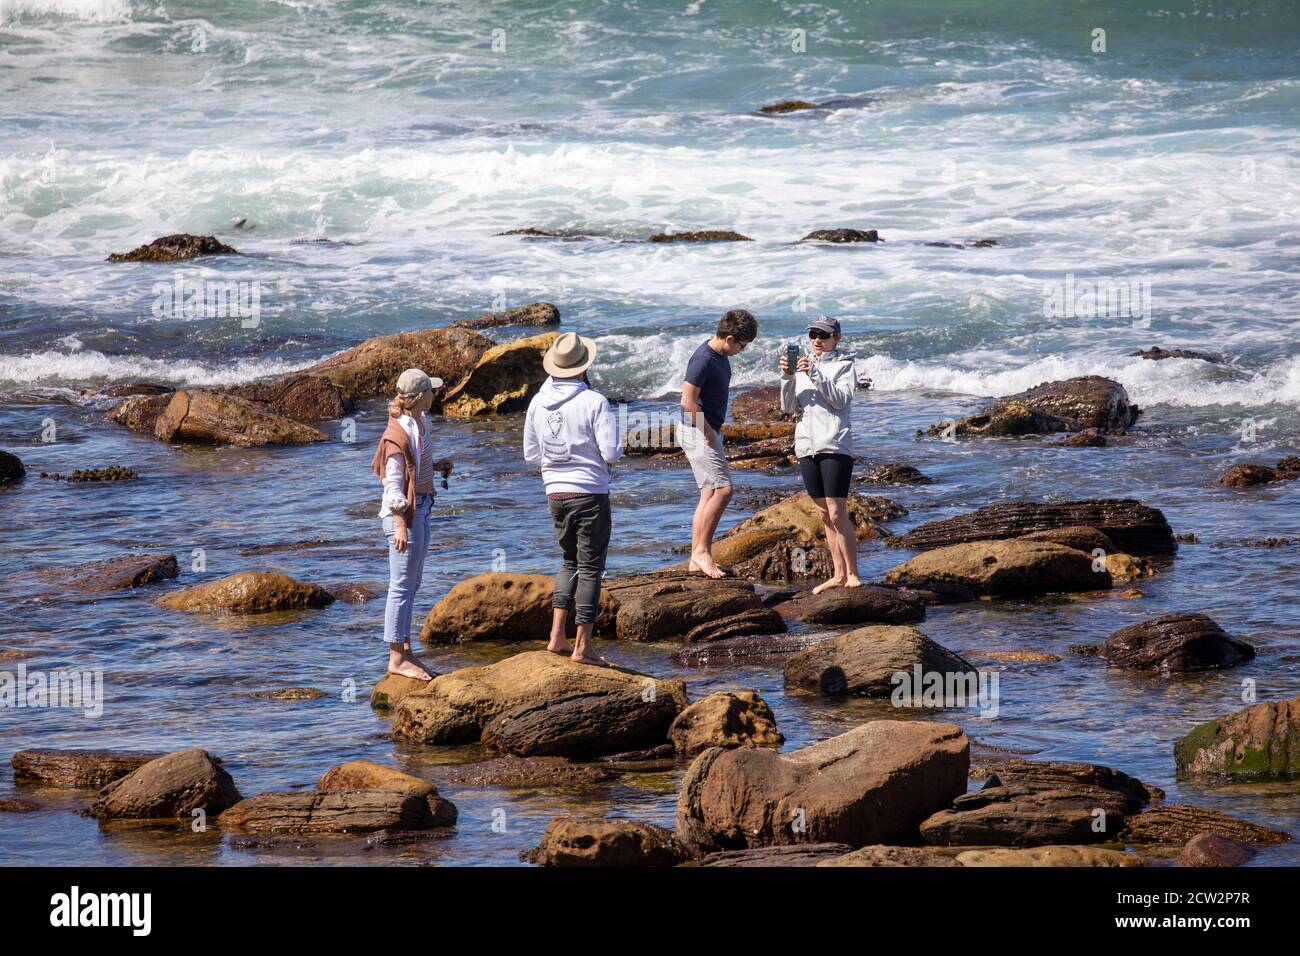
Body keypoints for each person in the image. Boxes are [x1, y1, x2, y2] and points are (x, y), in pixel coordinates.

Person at [523, 332, 623, 666]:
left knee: (569, 561)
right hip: (590, 493)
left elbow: (530, 455)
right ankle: (583, 648)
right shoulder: (594, 401)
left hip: (555, 493)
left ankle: (556, 637)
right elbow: (611, 452)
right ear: (582, 367)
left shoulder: (537, 402)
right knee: (592, 568)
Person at [372, 368, 448, 680]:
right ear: (419, 397)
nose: (436, 394)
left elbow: (416, 466)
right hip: (405, 516)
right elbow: (392, 487)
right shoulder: (397, 437)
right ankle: (395, 658)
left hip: (423, 507)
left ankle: (405, 648)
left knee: (412, 584)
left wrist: (437, 466)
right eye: (431, 390)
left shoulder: (418, 422)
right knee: (400, 586)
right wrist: (401, 523)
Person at [780, 315, 860, 593]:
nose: (817, 340)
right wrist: (788, 377)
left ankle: (852, 573)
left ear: (836, 338)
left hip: (835, 444)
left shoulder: (845, 366)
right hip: (806, 446)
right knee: (824, 514)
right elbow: (788, 406)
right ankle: (838, 574)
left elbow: (841, 399)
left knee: (838, 512)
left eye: (823, 335)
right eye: (813, 334)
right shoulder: (802, 367)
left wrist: (814, 373)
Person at [679, 308, 758, 577]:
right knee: (723, 490)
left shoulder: (720, 354)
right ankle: (702, 552)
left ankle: (695, 557)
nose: (742, 350)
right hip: (698, 432)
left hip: (705, 431)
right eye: (743, 346)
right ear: (730, 338)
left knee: (709, 493)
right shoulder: (704, 359)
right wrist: (708, 432)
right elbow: (687, 401)